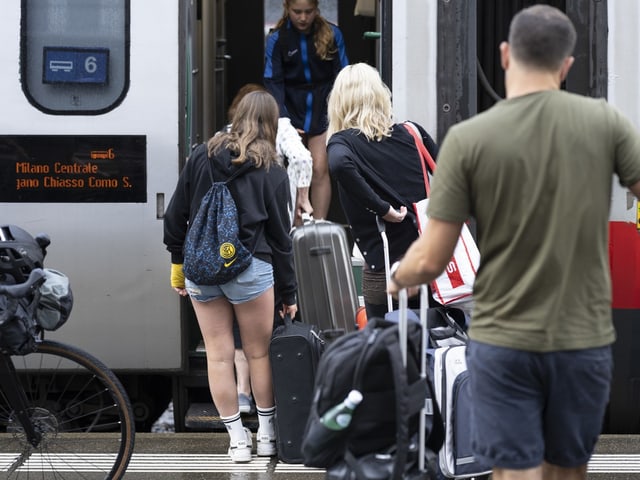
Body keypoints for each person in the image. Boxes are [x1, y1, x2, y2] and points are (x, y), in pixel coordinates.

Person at [388, 5, 640, 480]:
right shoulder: (606, 123)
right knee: (568, 471)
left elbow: (433, 258)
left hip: (503, 338)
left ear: (505, 55)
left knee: (513, 472)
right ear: (566, 65)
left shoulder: (468, 139)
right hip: (581, 339)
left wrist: (399, 276)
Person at [164, 91, 298, 463]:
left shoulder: (200, 155)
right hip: (252, 268)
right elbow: (281, 240)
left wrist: (179, 267)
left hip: (202, 271)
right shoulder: (272, 169)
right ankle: (267, 436)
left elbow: (175, 218)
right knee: (258, 353)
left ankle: (237, 441)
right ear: (271, 124)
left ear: (236, 116)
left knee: (219, 357)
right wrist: (289, 293)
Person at [325, 62, 438, 320]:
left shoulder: (343, 143)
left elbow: (339, 165)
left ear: (339, 102)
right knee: (434, 342)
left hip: (385, 269)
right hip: (430, 261)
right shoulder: (413, 132)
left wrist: (383, 209)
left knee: (389, 348)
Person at [264, 0, 349, 219]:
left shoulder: (332, 34)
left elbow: (343, 77)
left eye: (308, 12)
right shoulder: (277, 39)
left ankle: (318, 226)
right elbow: (273, 82)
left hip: (323, 107)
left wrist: (338, 113)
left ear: (316, 9)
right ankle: (294, 230)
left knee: (320, 168)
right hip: (290, 109)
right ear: (287, 8)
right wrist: (283, 121)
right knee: (293, 169)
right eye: (297, 12)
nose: (303, 18)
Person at [227, 83, 314, 226]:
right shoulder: (282, 128)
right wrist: (301, 198)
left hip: (238, 213)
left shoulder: (227, 133)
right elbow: (301, 159)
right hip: (277, 209)